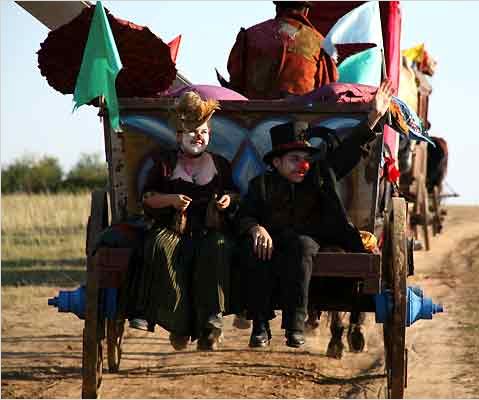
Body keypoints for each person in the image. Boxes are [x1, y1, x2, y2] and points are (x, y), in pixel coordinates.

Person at [237, 80, 394, 348]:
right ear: (276, 163)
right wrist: (256, 228)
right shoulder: (261, 185)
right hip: (272, 240)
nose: (302, 165)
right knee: (258, 250)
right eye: (294, 159)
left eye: (305, 158)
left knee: (302, 246)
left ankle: (295, 327)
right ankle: (260, 326)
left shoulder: (319, 175)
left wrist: (373, 117)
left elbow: (348, 151)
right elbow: (245, 215)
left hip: (309, 239)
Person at [134, 92, 238, 351]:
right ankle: (177, 324)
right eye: (191, 131)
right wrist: (170, 200)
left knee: (219, 246)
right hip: (174, 230)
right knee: (158, 244)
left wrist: (227, 200)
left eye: (203, 131)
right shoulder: (165, 163)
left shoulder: (220, 164)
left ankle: (212, 323)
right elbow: (147, 198)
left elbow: (234, 193)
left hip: (209, 230)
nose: (198, 136)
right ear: (179, 136)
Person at [225, 1, 338, 99]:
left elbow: (235, 85)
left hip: (254, 120)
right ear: (305, 11)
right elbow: (326, 90)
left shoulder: (249, 35)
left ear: (277, 7)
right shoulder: (319, 43)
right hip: (301, 120)